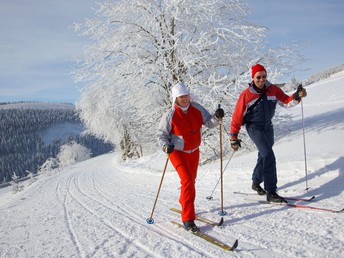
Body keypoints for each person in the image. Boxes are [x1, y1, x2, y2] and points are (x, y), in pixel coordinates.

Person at [229, 64, 307, 203]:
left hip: (268, 127)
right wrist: (233, 137)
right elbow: (237, 116)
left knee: (264, 154)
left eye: (264, 76)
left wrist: (296, 96)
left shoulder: (273, 90)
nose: (261, 79)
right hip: (254, 127)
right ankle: (271, 191)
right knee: (268, 155)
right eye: (258, 77)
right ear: (253, 78)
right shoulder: (246, 95)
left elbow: (286, 102)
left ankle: (256, 181)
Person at [157, 82, 224, 232]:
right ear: (175, 98)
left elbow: (210, 123)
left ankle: (184, 202)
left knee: (191, 181)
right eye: (181, 96)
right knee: (187, 180)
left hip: (194, 151)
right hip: (177, 152)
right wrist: (165, 146)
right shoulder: (170, 115)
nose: (184, 98)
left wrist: (217, 116)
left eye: (186, 95)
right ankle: (188, 218)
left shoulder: (197, 108)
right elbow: (161, 135)